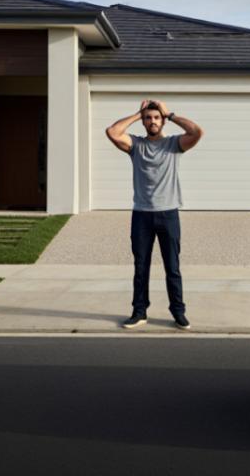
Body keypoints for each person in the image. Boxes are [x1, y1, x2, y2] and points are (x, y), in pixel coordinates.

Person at [104, 99, 204, 330]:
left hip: (168, 214)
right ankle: (139, 312)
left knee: (172, 267)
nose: (152, 121)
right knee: (141, 267)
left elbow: (197, 132)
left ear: (162, 120)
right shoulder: (135, 145)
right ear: (144, 121)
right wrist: (137, 114)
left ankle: (178, 312)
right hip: (141, 215)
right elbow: (112, 132)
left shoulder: (173, 144)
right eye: (149, 118)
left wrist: (170, 114)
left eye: (156, 117)